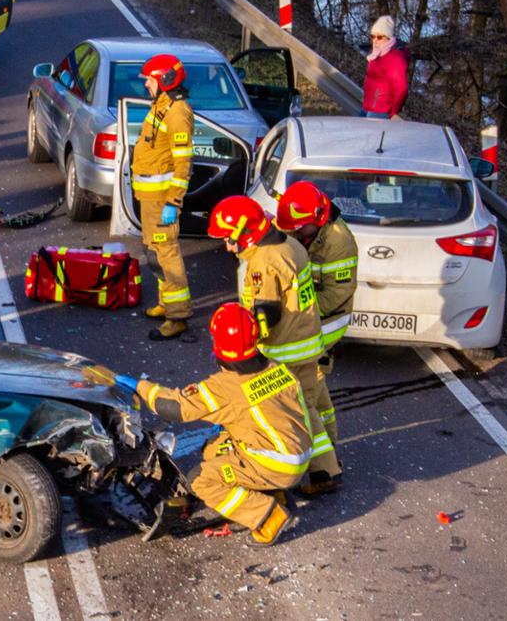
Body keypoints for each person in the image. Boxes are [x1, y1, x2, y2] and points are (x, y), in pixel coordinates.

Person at [89, 302, 313, 546]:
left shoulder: (225, 387)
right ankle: (272, 490)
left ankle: (267, 516)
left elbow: (174, 406)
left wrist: (136, 385)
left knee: (201, 481)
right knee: (214, 447)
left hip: (274, 462)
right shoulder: (277, 368)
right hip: (298, 453)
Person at [208, 195, 340, 495]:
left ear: (246, 232)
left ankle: (304, 476)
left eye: (230, 239)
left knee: (289, 415)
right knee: (308, 409)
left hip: (285, 353)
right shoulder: (290, 244)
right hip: (307, 343)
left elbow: (265, 316)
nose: (228, 247)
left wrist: (241, 346)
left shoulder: (264, 263)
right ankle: (325, 470)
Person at [277, 181, 357, 464]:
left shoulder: (338, 241)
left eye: (300, 229)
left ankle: (325, 456)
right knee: (315, 388)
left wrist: (299, 314)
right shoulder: (304, 227)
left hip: (328, 319)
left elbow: (337, 293)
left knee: (310, 388)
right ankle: (327, 449)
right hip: (309, 316)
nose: (296, 233)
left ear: (317, 220)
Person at [130, 54, 196, 341]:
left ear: (165, 80)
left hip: (161, 200)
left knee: (166, 254)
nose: (146, 85)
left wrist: (174, 201)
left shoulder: (178, 113)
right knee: (154, 253)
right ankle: (165, 302)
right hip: (149, 198)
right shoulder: (161, 106)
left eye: (150, 80)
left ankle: (177, 316)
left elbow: (183, 164)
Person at [360, 15, 410, 119]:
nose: (375, 40)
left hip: (380, 111)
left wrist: (393, 112)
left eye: (379, 37)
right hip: (367, 107)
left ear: (388, 38)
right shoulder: (376, 55)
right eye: (373, 36)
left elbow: (402, 89)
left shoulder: (394, 59)